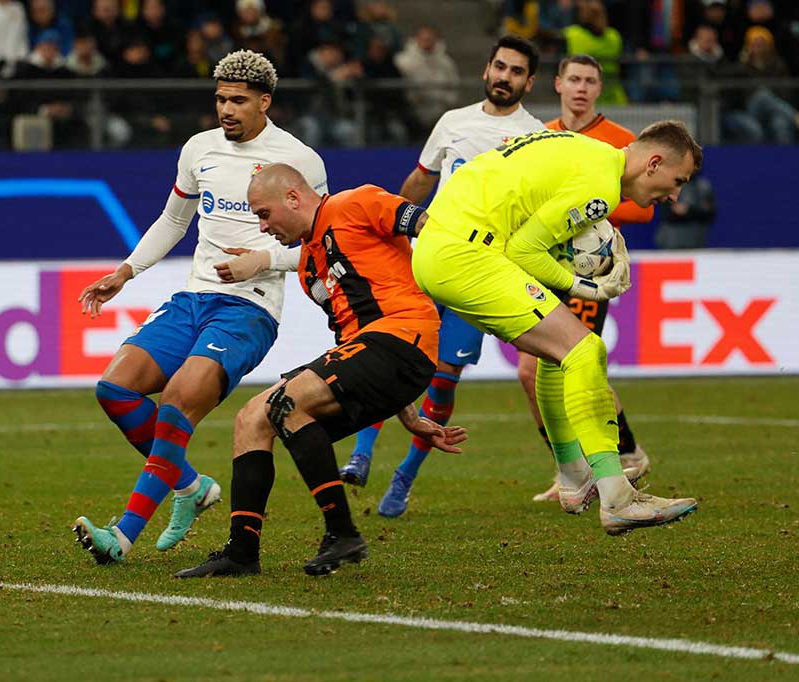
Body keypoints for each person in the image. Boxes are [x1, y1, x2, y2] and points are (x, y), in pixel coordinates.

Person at [71, 50, 328, 564]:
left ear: (265, 102)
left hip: (249, 309)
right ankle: (189, 487)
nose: (226, 109)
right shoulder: (199, 150)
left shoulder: (299, 159)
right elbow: (173, 220)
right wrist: (126, 272)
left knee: (175, 404)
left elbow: (324, 238)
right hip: (192, 299)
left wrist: (263, 260)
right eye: (220, 99)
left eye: (238, 100)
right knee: (115, 389)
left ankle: (120, 538)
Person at [174, 164, 466, 578]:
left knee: (285, 402)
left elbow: (429, 226)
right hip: (379, 354)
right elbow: (354, 353)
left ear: (293, 197)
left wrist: (469, 280)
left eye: (264, 213)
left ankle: (342, 533)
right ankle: (241, 552)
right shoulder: (309, 265)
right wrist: (411, 415)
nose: (263, 227)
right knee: (251, 418)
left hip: (406, 334)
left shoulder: (357, 202)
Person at [411, 120, 701, 535]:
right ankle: (618, 496)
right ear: (653, 162)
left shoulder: (586, 152)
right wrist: (589, 286)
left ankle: (573, 475)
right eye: (677, 181)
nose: (674, 195)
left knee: (556, 355)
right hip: (467, 252)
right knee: (587, 350)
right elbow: (525, 249)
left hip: (442, 250)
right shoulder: (600, 186)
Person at [338, 35, 543, 518]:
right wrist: (390, 223)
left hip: (481, 271)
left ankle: (405, 476)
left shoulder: (535, 136)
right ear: (485, 70)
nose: (504, 77)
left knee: (443, 381)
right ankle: (361, 454)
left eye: (515, 71)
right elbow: (421, 180)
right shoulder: (453, 122)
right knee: (389, 352)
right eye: (499, 67)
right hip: (429, 258)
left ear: (529, 82)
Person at [524, 54, 654, 503]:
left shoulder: (619, 141)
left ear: (599, 89)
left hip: (588, 269)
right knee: (537, 371)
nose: (580, 87)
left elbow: (644, 205)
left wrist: (583, 207)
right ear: (557, 84)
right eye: (573, 79)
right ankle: (589, 464)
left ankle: (603, 462)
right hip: (544, 263)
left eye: (589, 81)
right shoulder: (542, 136)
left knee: (562, 362)